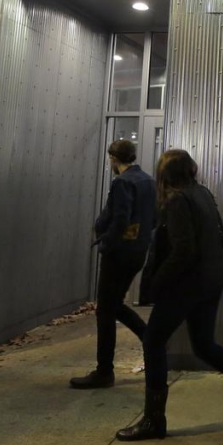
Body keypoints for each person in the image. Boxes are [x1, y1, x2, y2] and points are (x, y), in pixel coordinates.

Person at [116, 149, 223, 442]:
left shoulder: (177, 200)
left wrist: (156, 283)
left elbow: (184, 250)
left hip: (186, 285)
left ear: (166, 173)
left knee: (153, 341)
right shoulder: (202, 193)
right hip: (210, 281)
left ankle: (154, 421)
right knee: (204, 345)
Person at [71, 139, 156, 389]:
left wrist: (106, 243)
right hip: (138, 251)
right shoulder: (148, 181)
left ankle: (104, 371)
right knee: (114, 306)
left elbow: (120, 217)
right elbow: (154, 217)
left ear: (113, 158)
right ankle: (152, 341)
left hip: (118, 253)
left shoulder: (122, 182)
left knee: (105, 311)